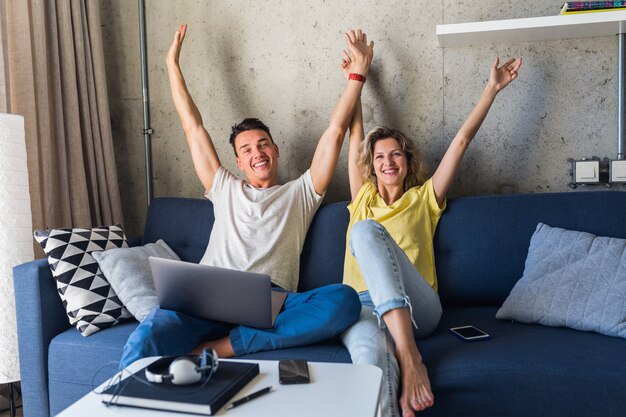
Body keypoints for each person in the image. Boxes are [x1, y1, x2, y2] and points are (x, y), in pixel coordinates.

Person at [120, 25, 375, 369]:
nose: (257, 152)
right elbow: (192, 127)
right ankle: (123, 400)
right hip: (209, 295)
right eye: (247, 149)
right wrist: (172, 65)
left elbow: (335, 131)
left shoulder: (302, 192)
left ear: (276, 150)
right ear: (238, 162)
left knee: (344, 301)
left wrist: (357, 74)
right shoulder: (224, 186)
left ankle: (226, 346)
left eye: (263, 144)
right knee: (149, 334)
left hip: (271, 302)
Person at [339, 55, 522, 417]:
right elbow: (354, 135)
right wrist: (355, 78)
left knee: (364, 232)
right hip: (360, 307)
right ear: (371, 166)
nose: (388, 162)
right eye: (379, 158)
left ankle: (410, 356)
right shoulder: (362, 198)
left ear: (407, 161)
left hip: (417, 306)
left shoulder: (424, 199)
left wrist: (492, 89)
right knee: (368, 364)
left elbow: (461, 142)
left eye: (396, 155)